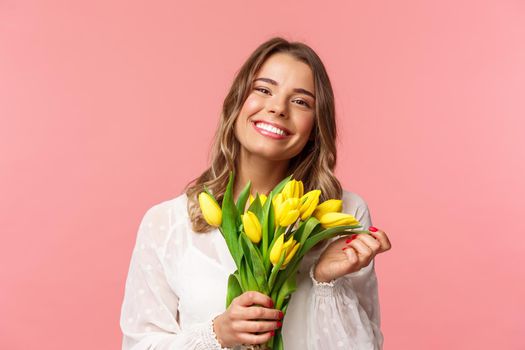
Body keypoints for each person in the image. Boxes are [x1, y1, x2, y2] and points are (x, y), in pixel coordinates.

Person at [120, 37, 392, 350]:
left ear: (316, 127)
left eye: (301, 101)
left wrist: (325, 281)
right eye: (263, 89)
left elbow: (366, 345)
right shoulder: (166, 223)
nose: (278, 108)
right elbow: (138, 345)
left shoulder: (342, 215)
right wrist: (217, 334)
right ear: (237, 102)